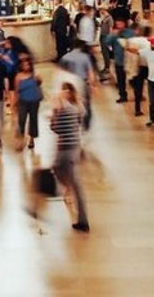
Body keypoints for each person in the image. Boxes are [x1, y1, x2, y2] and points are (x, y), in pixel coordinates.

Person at [50, 81, 89, 231]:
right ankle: (68, 192)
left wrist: (55, 111)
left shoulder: (65, 109)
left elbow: (56, 128)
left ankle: (65, 191)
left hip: (65, 149)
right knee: (74, 183)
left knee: (60, 173)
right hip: (74, 148)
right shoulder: (78, 108)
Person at [13, 54, 43, 149]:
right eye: (24, 65)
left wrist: (38, 79)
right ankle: (20, 141)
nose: (26, 66)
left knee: (33, 120)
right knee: (21, 120)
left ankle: (31, 140)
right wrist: (14, 102)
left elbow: (39, 84)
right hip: (23, 101)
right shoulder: (18, 77)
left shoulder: (35, 76)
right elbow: (16, 90)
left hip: (34, 101)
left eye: (28, 65)